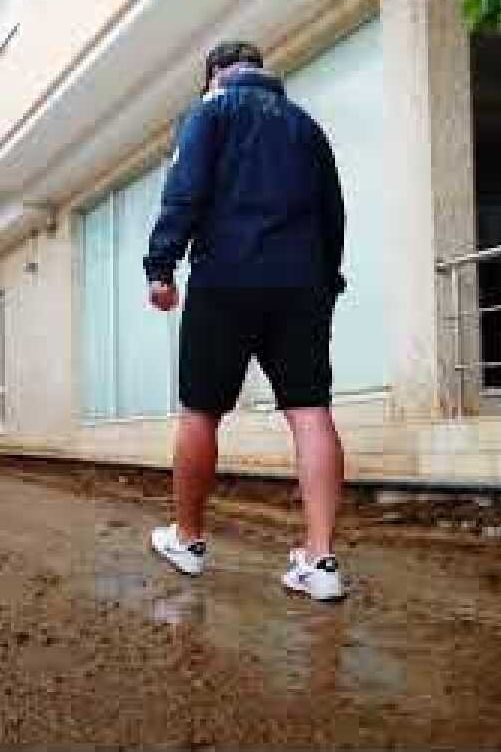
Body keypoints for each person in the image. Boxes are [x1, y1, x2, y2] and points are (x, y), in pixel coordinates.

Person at [143, 40, 348, 602]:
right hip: (301, 286)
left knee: (200, 411)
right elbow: (333, 212)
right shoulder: (306, 126)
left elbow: (184, 193)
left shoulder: (209, 112)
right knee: (310, 411)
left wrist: (161, 267)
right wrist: (327, 280)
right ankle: (320, 560)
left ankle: (188, 540)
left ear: (214, 76)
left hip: (226, 280)